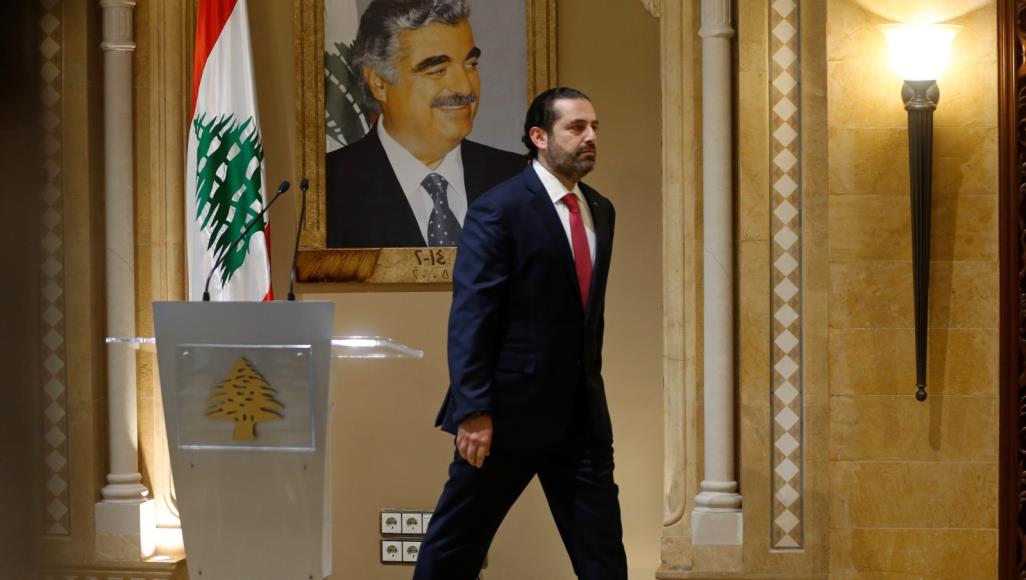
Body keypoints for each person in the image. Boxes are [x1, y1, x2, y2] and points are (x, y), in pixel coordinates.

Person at [413, 88, 628, 579]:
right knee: (454, 550)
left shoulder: (601, 209)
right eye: (576, 127)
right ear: (539, 136)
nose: (590, 137)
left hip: (582, 420)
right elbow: (473, 314)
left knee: (603, 559)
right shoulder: (500, 208)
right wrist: (473, 409)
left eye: (594, 127)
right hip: (505, 417)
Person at [325, 0, 524, 248]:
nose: (465, 87)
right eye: (437, 70)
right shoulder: (326, 189)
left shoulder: (520, 179)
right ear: (379, 83)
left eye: (470, 65)